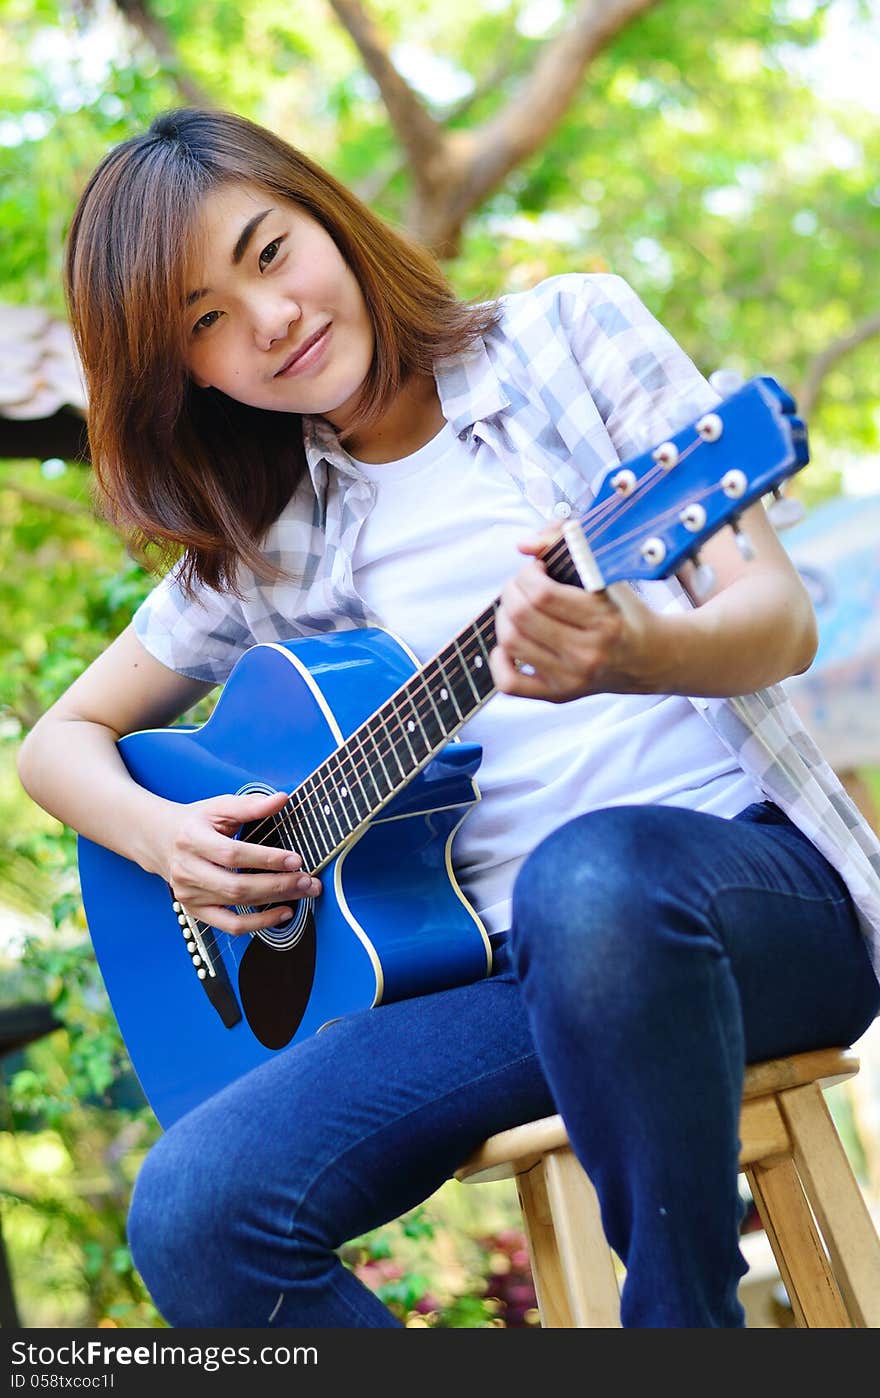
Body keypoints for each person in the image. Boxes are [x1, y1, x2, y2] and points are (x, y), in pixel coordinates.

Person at [17, 106, 880, 1329]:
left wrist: (633, 650)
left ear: (330, 217)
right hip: (509, 975)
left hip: (745, 900)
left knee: (593, 880)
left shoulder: (566, 335)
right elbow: (57, 744)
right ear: (187, 373)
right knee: (194, 1209)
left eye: (269, 253)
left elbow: (778, 625)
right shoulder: (269, 542)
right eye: (205, 321)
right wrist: (173, 845)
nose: (268, 320)